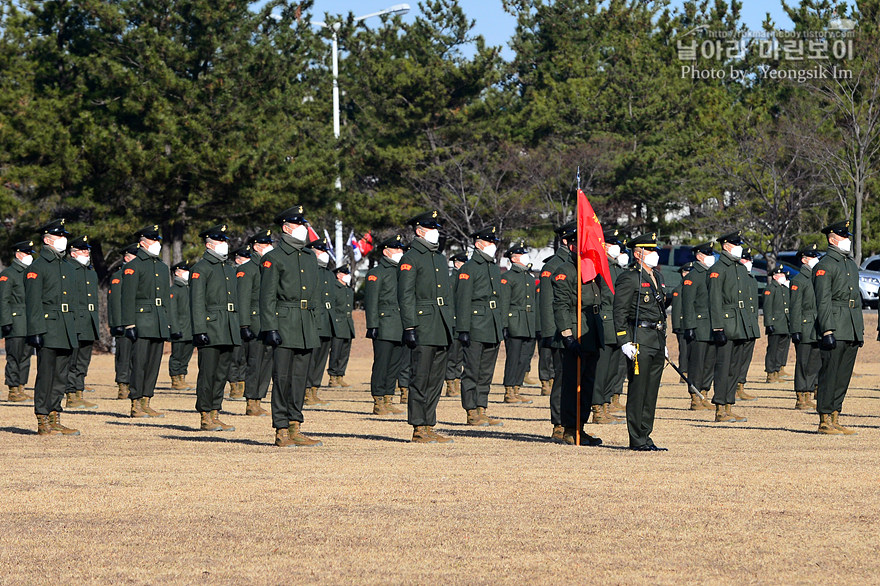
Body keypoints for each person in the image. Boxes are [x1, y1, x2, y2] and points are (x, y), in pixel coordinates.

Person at [259, 205, 323, 447]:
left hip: (305, 323)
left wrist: (315, 322)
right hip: (284, 322)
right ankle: (281, 430)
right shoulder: (273, 258)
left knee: (299, 379)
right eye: (299, 225)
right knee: (283, 378)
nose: (304, 229)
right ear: (286, 228)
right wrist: (270, 327)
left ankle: (296, 426)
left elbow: (315, 294)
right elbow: (267, 297)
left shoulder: (308, 257)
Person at [398, 210, 455, 443]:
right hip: (423, 323)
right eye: (432, 229)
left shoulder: (439, 258)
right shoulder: (410, 258)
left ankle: (429, 423)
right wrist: (409, 326)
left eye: (437, 229)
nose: (436, 233)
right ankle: (418, 427)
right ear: (420, 231)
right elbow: (406, 295)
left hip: (441, 323)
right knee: (420, 377)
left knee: (435, 379)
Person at [613, 232, 669, 451]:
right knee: (638, 391)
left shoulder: (658, 277)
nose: (655, 254)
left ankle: (646, 435)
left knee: (651, 391)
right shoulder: (629, 277)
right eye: (650, 250)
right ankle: (636, 438)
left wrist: (663, 343)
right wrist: (624, 340)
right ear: (638, 254)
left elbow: (660, 313)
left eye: (655, 250)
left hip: (656, 338)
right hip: (639, 339)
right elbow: (620, 312)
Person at [24, 219, 80, 436]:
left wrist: (76, 327)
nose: (63, 240)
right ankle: (42, 418)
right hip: (48, 326)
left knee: (61, 375)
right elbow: (33, 302)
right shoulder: (38, 266)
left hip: (66, 326)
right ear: (47, 240)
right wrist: (35, 330)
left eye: (64, 236)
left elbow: (74, 300)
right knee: (46, 374)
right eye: (59, 237)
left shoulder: (67, 266)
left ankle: (55, 415)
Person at [551, 222, 604, 446]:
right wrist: (567, 335)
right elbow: (561, 305)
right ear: (571, 245)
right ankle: (570, 428)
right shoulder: (565, 271)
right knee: (573, 384)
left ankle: (581, 427)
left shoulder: (591, 268)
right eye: (579, 244)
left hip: (591, 331)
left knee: (588, 383)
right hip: (576, 329)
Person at [814, 220, 863, 435]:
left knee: (843, 375)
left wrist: (858, 329)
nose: (848, 240)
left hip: (850, 325)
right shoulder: (825, 265)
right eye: (844, 237)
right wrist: (827, 330)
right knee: (830, 374)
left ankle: (836, 415)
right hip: (835, 324)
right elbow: (823, 300)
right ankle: (824, 419)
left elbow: (856, 299)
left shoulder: (849, 263)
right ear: (832, 239)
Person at [190, 224, 240, 432]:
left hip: (228, 326)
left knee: (221, 373)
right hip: (211, 327)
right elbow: (197, 301)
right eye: (221, 241)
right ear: (209, 244)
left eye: (225, 241)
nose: (225, 244)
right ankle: (204, 415)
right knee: (208, 373)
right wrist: (199, 329)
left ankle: (215, 412)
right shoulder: (201, 268)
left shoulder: (227, 268)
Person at [455, 226, 507, 425]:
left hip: (492, 323)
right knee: (472, 370)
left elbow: (499, 298)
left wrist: (501, 323)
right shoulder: (469, 268)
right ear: (478, 245)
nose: (493, 246)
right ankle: (471, 411)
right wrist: (463, 329)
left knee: (486, 371)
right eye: (489, 242)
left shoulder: (493, 267)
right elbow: (463, 300)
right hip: (476, 323)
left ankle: (481, 408)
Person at [120, 224, 171, 418]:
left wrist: (168, 322)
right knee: (139, 363)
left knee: (153, 364)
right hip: (141, 320)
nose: (157, 243)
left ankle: (146, 400)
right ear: (142, 243)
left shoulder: (161, 266)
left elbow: (166, 298)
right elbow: (128, 297)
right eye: (153, 240)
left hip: (158, 320)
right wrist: (129, 323)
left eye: (158, 240)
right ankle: (135, 403)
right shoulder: (134, 266)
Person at [707, 231, 749, 423]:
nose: (739, 247)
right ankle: (720, 408)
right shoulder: (718, 269)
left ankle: (729, 405)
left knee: (735, 367)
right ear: (725, 246)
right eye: (735, 244)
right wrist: (717, 327)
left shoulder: (739, 269)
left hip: (740, 323)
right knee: (723, 368)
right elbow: (714, 300)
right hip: (726, 323)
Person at [365, 234, 408, 416]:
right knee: (381, 364)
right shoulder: (377, 273)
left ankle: (389, 398)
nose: (400, 252)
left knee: (395, 365)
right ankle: (378, 400)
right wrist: (372, 325)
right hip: (384, 324)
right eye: (396, 249)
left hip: (400, 325)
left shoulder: (404, 272)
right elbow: (371, 302)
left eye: (401, 249)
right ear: (386, 251)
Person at [591, 228, 628, 424]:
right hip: (604, 323)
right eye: (613, 244)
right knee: (601, 369)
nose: (617, 248)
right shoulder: (598, 266)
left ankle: (606, 406)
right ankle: (597, 408)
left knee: (613, 370)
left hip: (617, 324)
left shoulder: (617, 269)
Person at [63, 236, 99, 411]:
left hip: (88, 322)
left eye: (88, 250)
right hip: (75, 320)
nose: (87, 253)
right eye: (83, 250)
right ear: (73, 253)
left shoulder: (90, 271)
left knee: (83, 361)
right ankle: (71, 395)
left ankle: (79, 392)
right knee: (73, 361)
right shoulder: (69, 268)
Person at [500, 242, 536, 405]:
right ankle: (509, 390)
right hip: (515, 321)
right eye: (522, 255)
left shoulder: (528, 276)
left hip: (528, 322)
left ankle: (517, 387)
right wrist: (504, 325)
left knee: (525, 357)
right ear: (514, 259)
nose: (526, 257)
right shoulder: (508, 277)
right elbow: (504, 303)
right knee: (513, 358)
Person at [681, 242, 716, 410]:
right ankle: (695, 396)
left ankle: (705, 393)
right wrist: (688, 326)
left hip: (712, 326)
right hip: (698, 326)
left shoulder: (714, 274)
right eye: (708, 254)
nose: (711, 257)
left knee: (709, 363)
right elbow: (687, 304)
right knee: (697, 363)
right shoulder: (692, 277)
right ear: (699, 256)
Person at [243, 230, 274, 414]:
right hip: (255, 322)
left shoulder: (269, 266)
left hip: (269, 322)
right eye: (265, 244)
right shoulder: (248, 269)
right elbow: (244, 298)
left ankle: (259, 398)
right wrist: (244, 325)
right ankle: (251, 402)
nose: (269, 248)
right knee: (254, 363)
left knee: (267, 363)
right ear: (256, 247)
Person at [1, 240, 36, 403]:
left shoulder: (30, 273)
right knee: (14, 356)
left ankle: (21, 387)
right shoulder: (9, 274)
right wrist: (6, 321)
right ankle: (13, 390)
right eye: (27, 253)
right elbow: (3, 300)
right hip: (15, 322)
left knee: (26, 356)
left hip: (29, 322)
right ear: (19, 254)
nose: (30, 257)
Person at [789, 244, 821, 411]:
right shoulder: (798, 280)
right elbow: (795, 307)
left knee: (814, 363)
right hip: (804, 326)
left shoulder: (817, 278)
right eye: (812, 256)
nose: (816, 259)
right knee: (803, 363)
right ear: (804, 259)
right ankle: (801, 396)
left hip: (817, 326)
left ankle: (809, 392)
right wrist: (795, 330)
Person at [304, 236, 333, 407]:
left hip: (327, 322)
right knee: (311, 358)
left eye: (325, 251)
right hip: (314, 320)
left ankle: (314, 389)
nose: (324, 254)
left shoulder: (328, 273)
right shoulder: (309, 269)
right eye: (321, 251)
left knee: (321, 359)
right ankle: (306, 391)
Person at [107, 243, 138, 400]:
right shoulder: (118, 276)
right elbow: (116, 302)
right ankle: (123, 386)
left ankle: (134, 385)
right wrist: (117, 324)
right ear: (127, 258)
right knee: (123, 357)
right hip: (123, 326)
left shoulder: (139, 273)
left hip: (137, 322)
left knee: (136, 357)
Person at [226, 246, 254, 401]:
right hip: (235, 318)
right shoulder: (234, 273)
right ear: (237, 259)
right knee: (235, 355)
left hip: (248, 318)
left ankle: (242, 384)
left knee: (244, 355)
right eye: (244, 258)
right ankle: (234, 385)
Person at [735, 249, 762, 401]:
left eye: (749, 260)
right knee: (736, 359)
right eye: (745, 260)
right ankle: (732, 388)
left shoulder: (752, 279)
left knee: (746, 358)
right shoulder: (738, 277)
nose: (748, 263)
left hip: (751, 323)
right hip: (740, 323)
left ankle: (740, 386)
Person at [444, 252, 468, 397]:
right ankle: (450, 383)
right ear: (457, 263)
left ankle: (457, 381)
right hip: (453, 321)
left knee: (460, 355)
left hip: (462, 321)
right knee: (452, 355)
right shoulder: (451, 280)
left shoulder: (464, 279)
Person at [168, 262, 195, 392]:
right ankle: (175, 379)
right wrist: (174, 328)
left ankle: (182, 377)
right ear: (177, 273)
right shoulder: (174, 290)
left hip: (190, 330)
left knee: (186, 356)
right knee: (177, 356)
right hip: (179, 329)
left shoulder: (190, 288)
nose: (187, 273)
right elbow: (172, 312)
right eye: (184, 271)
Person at [763, 266, 791, 383]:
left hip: (785, 323)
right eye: (780, 275)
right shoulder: (771, 288)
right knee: (773, 349)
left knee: (782, 349)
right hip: (775, 323)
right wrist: (768, 323)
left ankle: (778, 369)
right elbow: (767, 307)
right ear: (774, 276)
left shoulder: (784, 289)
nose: (783, 277)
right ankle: (770, 373)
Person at [671, 262, 693, 397]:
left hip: (692, 324)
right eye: (686, 272)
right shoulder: (679, 290)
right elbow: (677, 310)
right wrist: (677, 326)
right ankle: (683, 372)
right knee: (684, 350)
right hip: (682, 325)